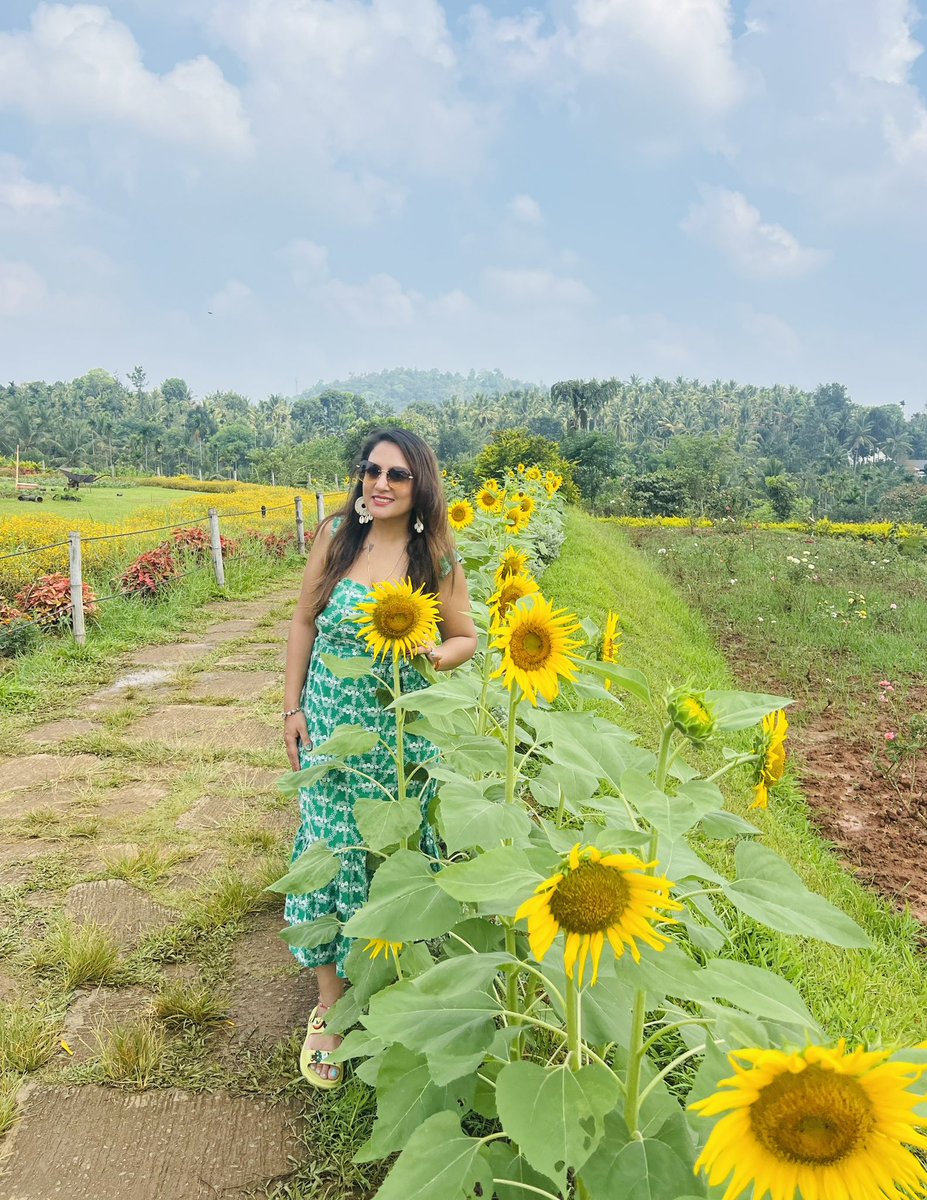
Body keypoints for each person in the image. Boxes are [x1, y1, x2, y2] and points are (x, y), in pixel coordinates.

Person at [281, 429, 477, 1088]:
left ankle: (392, 989)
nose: (380, 483)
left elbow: (465, 637)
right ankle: (331, 1009)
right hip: (334, 731)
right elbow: (305, 621)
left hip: (398, 741)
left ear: (420, 484)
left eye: (396, 474)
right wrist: (291, 707)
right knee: (331, 857)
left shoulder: (435, 561)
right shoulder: (337, 534)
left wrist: (437, 655)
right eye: (371, 470)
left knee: (388, 862)